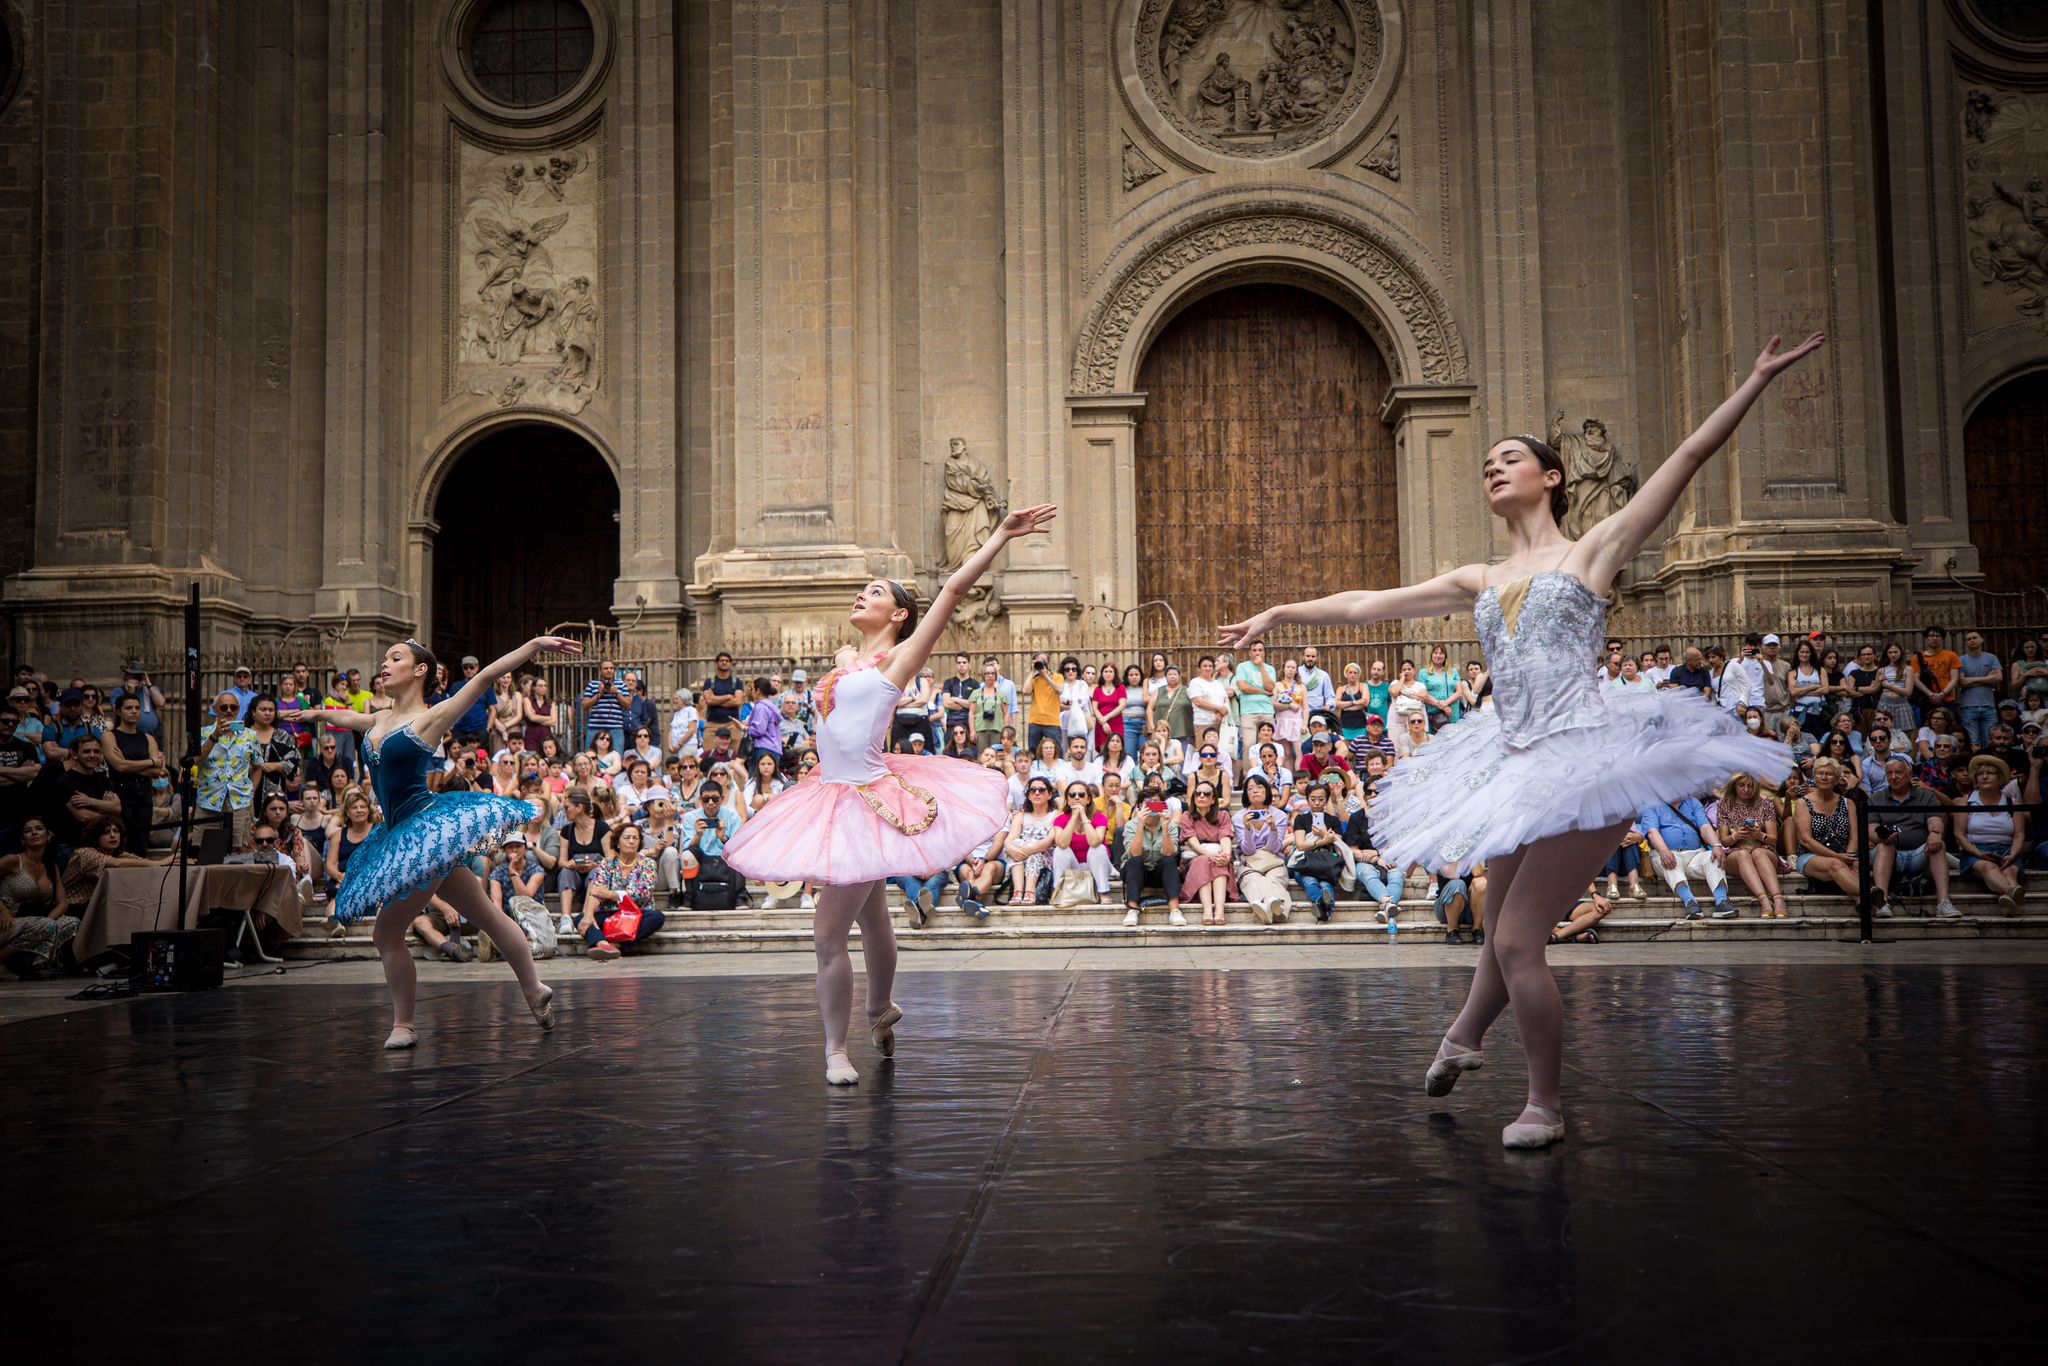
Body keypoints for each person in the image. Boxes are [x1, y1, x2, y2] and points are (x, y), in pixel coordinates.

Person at [1222, 329, 1822, 1149]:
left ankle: (1545, 1104)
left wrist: (1753, 380)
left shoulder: (1591, 554)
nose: (1493, 468)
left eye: (1510, 458)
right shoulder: (1481, 578)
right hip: (1511, 763)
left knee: (1512, 937)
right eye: (1486, 464)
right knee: (1500, 927)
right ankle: (1464, 1039)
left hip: (1587, 759)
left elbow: (1688, 458)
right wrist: (1285, 612)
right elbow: (1371, 604)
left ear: (1552, 477)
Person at [719, 504, 1051, 1086]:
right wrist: (845, 664)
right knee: (872, 914)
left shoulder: (901, 659)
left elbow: (950, 589)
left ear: (898, 613)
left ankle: (835, 1049)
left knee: (827, 931)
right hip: (829, 792)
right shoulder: (851, 659)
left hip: (865, 795)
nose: (860, 595)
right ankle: (879, 1008)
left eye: (873, 591)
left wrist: (999, 534)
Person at [281, 634, 572, 1049]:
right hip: (402, 832)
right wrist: (315, 713)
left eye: (394, 658)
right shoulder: (379, 718)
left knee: (385, 934)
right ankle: (534, 988)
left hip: (424, 832)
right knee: (486, 914)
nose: (384, 664)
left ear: (419, 671)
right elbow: (346, 719)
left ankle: (405, 1024)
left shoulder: (431, 718)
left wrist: (536, 646)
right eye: (384, 658)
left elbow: (487, 675)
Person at [579, 823, 667, 959]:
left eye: (635, 838)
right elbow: (597, 891)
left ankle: (615, 945)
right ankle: (602, 943)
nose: (631, 841)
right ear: (618, 842)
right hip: (611, 914)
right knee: (581, 918)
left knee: (657, 917)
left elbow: (642, 893)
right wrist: (589, 914)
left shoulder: (648, 864)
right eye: (627, 838)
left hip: (635, 914)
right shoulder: (607, 864)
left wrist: (610, 894)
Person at [1954, 754, 2029, 913]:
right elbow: (1959, 835)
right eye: (1980, 774)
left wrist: (2013, 855)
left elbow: (2019, 834)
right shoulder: (1965, 802)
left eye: (1990, 773)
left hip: (2007, 850)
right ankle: (2011, 892)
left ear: (2000, 778)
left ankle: (2007, 901)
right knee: (1988, 867)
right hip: (1976, 851)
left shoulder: (2012, 803)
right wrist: (1978, 853)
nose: (1984, 777)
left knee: (2010, 872)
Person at [0, 818, 74, 977]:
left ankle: (29, 964)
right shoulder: (13, 860)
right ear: (22, 840)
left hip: (28, 922)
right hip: (4, 921)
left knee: (71, 923)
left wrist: (46, 925)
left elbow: (63, 902)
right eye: (28, 830)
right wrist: (2, 908)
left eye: (39, 828)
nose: (34, 832)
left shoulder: (51, 866)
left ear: (49, 836)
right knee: (47, 926)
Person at [1791, 756, 1862, 902]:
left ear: (1836, 779)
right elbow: (1806, 840)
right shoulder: (1803, 802)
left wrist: (1848, 857)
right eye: (1819, 773)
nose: (1823, 777)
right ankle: (1871, 893)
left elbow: (1854, 836)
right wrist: (1838, 857)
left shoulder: (1848, 803)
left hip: (1844, 853)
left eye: (1828, 774)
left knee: (1858, 865)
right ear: (1814, 777)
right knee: (1836, 865)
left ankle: (1861, 901)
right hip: (1811, 855)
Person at [1715, 773, 1786, 918]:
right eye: (1741, 785)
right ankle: (1764, 901)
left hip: (1763, 850)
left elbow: (1773, 839)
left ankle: (1778, 899)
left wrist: (1760, 835)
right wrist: (1736, 835)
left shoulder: (1765, 804)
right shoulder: (1724, 805)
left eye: (1750, 786)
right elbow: (1724, 841)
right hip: (1736, 853)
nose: (1746, 789)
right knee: (1743, 854)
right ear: (1734, 786)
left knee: (1757, 853)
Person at [1121, 780, 1185, 926]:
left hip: (1158, 871)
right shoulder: (1131, 825)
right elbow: (1135, 852)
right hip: (1136, 871)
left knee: (1169, 861)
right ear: (1139, 806)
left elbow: (1170, 853)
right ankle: (1132, 908)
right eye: (1147, 803)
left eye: (1155, 802)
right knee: (1135, 861)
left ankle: (1174, 910)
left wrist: (1165, 828)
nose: (1151, 806)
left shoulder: (1171, 825)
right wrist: (1140, 823)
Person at [1233, 775, 1292, 924]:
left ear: (1267, 790)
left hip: (1274, 861)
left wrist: (1273, 829)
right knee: (1252, 880)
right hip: (1250, 862)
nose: (1255, 791)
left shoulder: (1279, 815)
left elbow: (1275, 848)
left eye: (1259, 787)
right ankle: (1276, 906)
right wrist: (1247, 829)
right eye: (1250, 788)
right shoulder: (1239, 817)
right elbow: (1248, 851)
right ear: (1246, 793)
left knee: (1273, 879)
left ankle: (1265, 906)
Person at [1179, 781, 1236, 927]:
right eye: (1198, 793)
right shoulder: (1187, 816)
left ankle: (1219, 911)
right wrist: (1212, 855)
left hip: (1217, 856)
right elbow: (1194, 844)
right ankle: (1207, 911)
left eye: (1206, 794)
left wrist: (1226, 855)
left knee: (1220, 862)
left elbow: (1225, 838)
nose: (1201, 796)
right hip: (1195, 858)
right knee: (1203, 860)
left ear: (1213, 799)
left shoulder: (1223, 816)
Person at [1289, 781, 1347, 921]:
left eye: (1321, 799)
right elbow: (1301, 845)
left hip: (1327, 862)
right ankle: (1325, 907)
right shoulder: (1301, 819)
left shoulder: (1333, 820)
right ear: (1307, 799)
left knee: (1326, 884)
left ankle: (1321, 907)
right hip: (1305, 861)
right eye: (1313, 799)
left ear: (1326, 800)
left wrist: (1323, 833)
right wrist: (1321, 842)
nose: (1316, 803)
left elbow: (1337, 842)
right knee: (1310, 882)